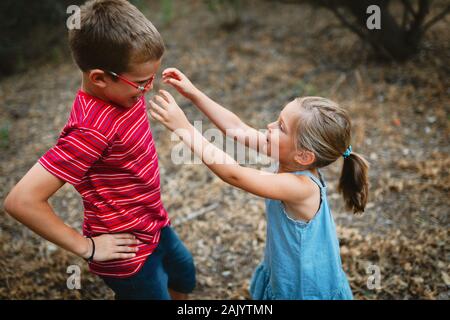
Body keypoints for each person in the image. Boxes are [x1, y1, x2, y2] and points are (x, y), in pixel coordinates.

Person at [3, 0, 195, 300]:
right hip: (128, 254)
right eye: (142, 83)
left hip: (155, 223)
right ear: (100, 78)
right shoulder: (90, 131)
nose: (149, 89)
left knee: (184, 279)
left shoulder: (122, 94)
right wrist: (87, 247)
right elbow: (21, 201)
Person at [149, 67, 369, 299]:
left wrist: (185, 129)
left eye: (281, 127)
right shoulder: (289, 156)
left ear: (304, 155)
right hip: (288, 272)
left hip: (304, 288)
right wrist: (193, 93)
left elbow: (234, 174)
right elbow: (237, 128)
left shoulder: (301, 187)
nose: (271, 126)